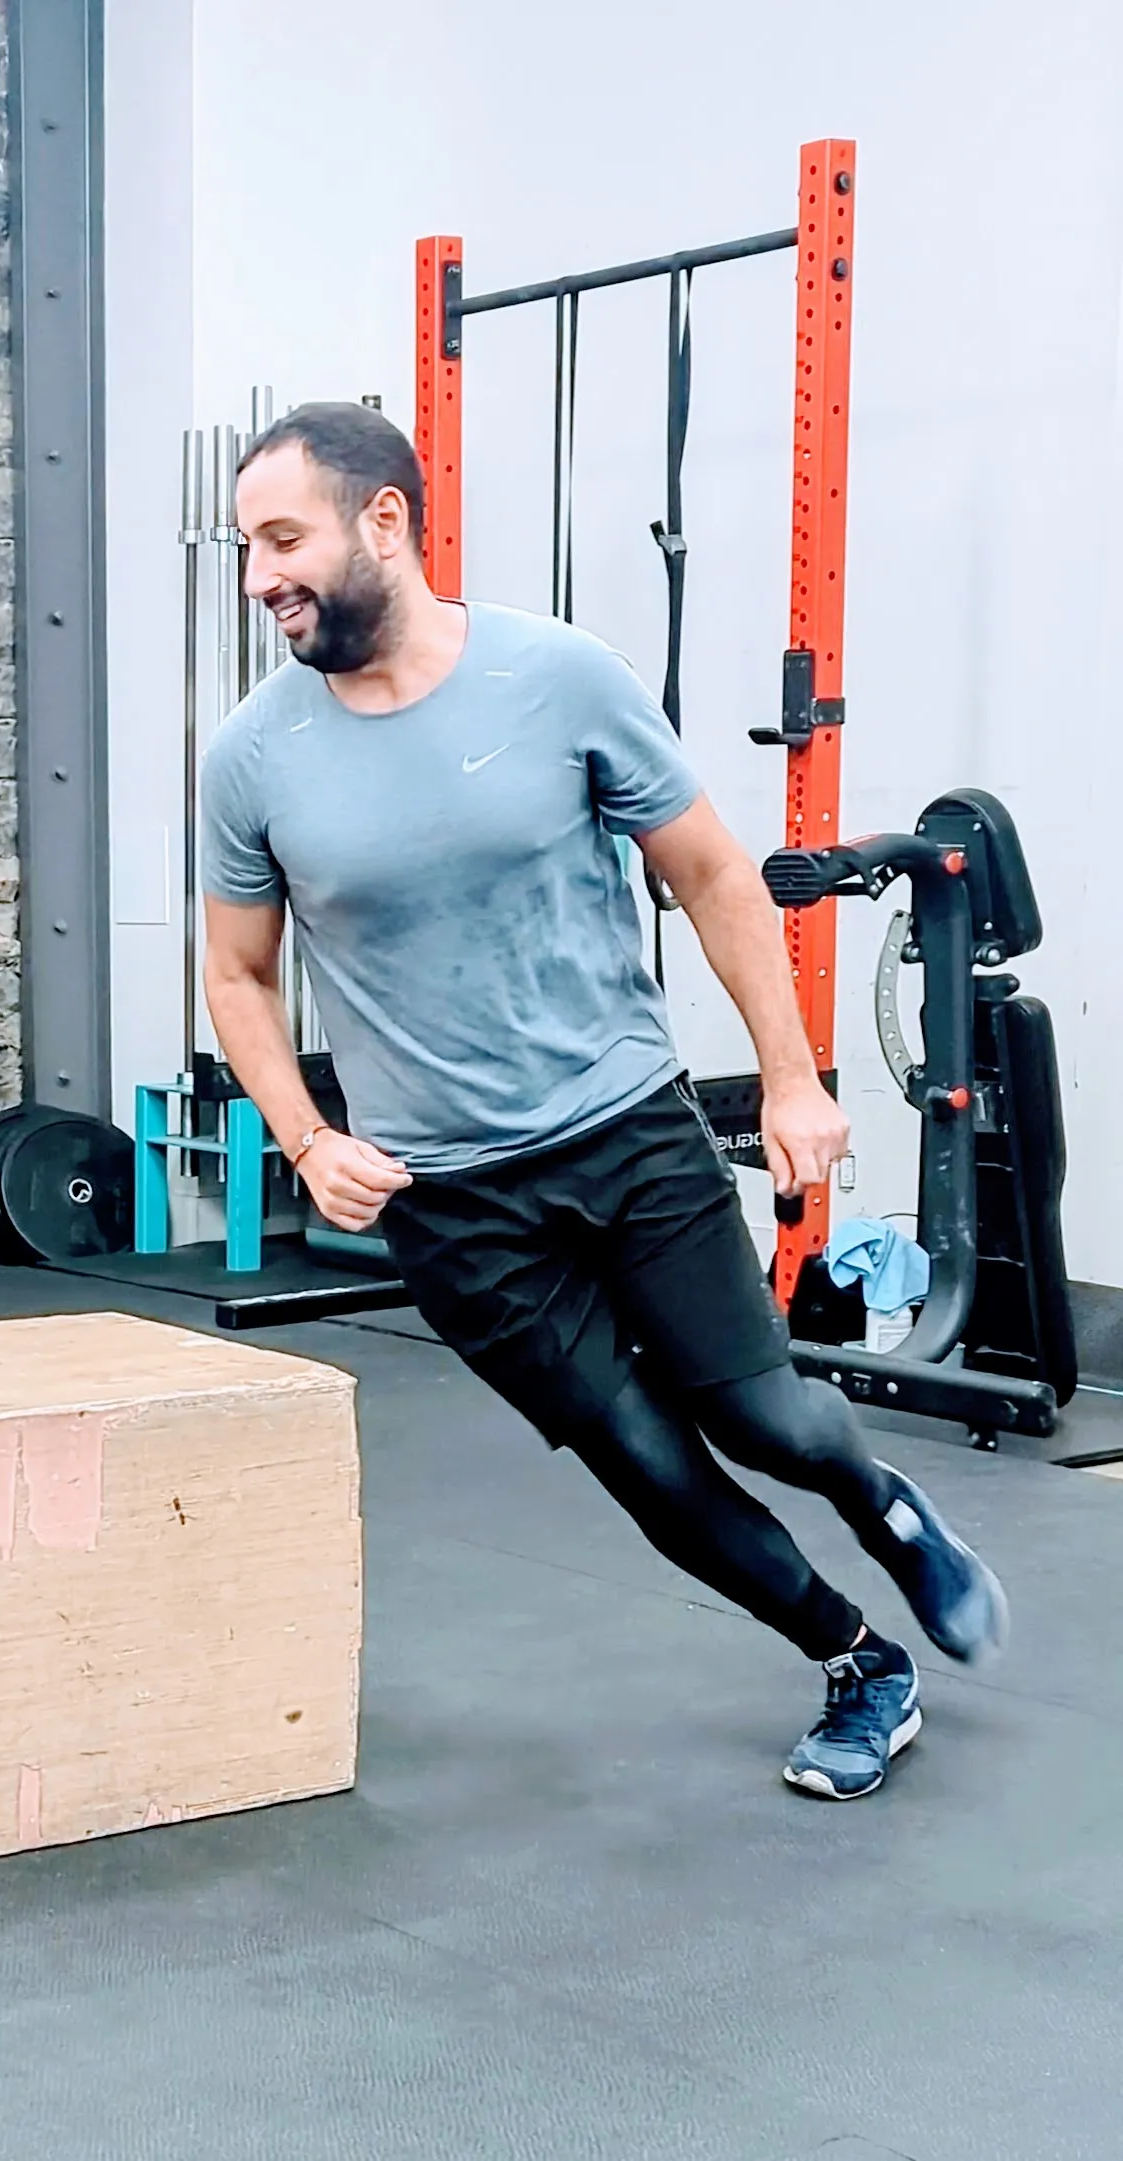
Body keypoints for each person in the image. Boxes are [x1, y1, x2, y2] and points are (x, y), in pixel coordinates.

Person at [202, 403, 1007, 1802]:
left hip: (623, 1133)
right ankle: (858, 1662)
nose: (261, 574)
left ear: (382, 523)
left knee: (765, 1423)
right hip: (446, 1200)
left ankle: (884, 1504)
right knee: (647, 1471)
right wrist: (306, 1137)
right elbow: (236, 973)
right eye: (246, 547)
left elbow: (710, 876)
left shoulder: (561, 678)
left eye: (284, 539)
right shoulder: (253, 756)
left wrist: (796, 1077)